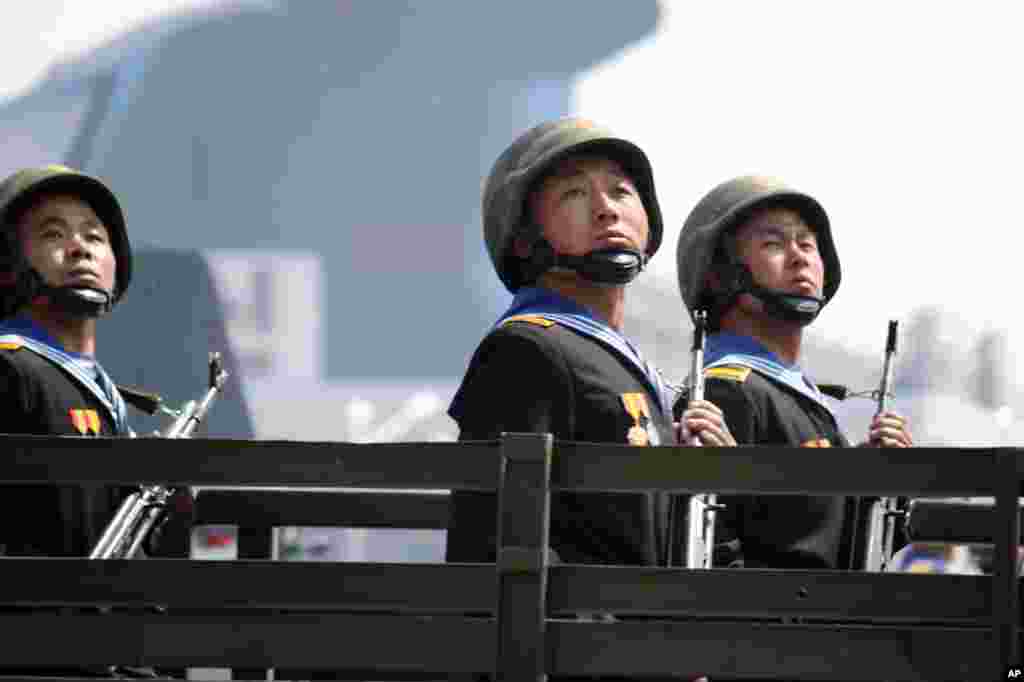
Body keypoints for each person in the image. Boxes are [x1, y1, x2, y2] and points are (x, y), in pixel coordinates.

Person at [446, 117, 734, 572]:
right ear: (524, 236)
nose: (607, 209)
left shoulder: (627, 365)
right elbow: (494, 542)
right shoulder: (525, 349)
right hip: (589, 640)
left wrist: (707, 480)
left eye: (621, 192)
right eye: (574, 194)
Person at [674, 175, 913, 571]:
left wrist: (883, 487)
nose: (800, 257)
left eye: (807, 244)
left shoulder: (796, 397)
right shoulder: (728, 391)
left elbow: (835, 553)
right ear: (720, 274)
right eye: (773, 244)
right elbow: (711, 551)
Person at [0, 164, 136, 560]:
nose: (81, 248)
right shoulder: (11, 370)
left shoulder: (96, 386)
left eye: (95, 236)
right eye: (53, 234)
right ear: (7, 265)